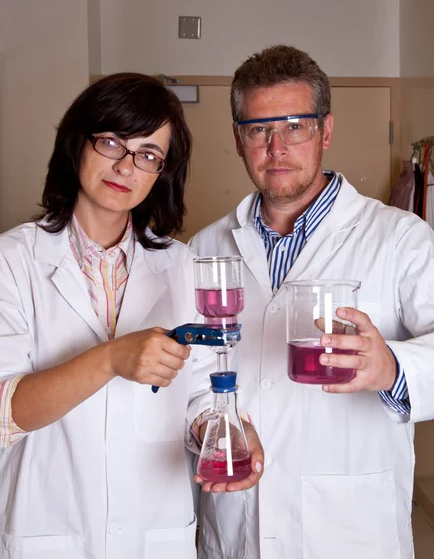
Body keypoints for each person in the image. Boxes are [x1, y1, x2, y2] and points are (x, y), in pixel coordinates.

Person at [0, 73, 263, 559]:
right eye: (111, 143)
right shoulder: (13, 260)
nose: (126, 166)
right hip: (49, 526)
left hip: (154, 528)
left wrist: (222, 430)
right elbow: (5, 412)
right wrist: (110, 360)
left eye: (147, 154)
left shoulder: (181, 265)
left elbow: (202, 392)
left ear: (161, 171)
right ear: (77, 143)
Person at [190, 45, 434, 559]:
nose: (277, 147)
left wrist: (391, 366)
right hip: (239, 523)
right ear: (239, 140)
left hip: (349, 527)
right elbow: (185, 376)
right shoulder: (206, 248)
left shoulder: (400, 237)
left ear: (326, 131)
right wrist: (204, 427)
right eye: (259, 130)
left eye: (295, 125)